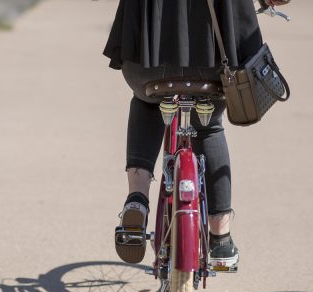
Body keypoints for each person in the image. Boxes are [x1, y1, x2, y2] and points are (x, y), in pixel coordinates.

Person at [103, 0, 292, 267]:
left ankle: (137, 200)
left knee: (147, 101)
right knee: (209, 125)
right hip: (214, 62)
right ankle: (220, 237)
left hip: (147, 60)